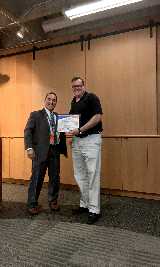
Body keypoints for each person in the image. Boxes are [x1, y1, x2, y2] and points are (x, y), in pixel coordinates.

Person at [24, 92, 67, 215]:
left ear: (56, 102)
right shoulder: (36, 115)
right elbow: (28, 131)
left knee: (54, 178)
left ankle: (53, 202)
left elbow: (62, 132)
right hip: (40, 152)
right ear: (45, 100)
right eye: (49, 99)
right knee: (37, 179)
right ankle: (32, 204)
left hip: (55, 151)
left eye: (54, 100)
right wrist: (29, 148)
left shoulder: (59, 117)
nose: (51, 102)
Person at [69, 77, 103, 224]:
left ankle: (94, 209)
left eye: (79, 85)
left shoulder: (92, 98)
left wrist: (80, 130)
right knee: (79, 175)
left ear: (84, 86)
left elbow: (97, 117)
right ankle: (85, 204)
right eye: (74, 87)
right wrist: (74, 136)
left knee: (92, 174)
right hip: (77, 142)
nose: (76, 88)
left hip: (91, 140)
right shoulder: (73, 102)